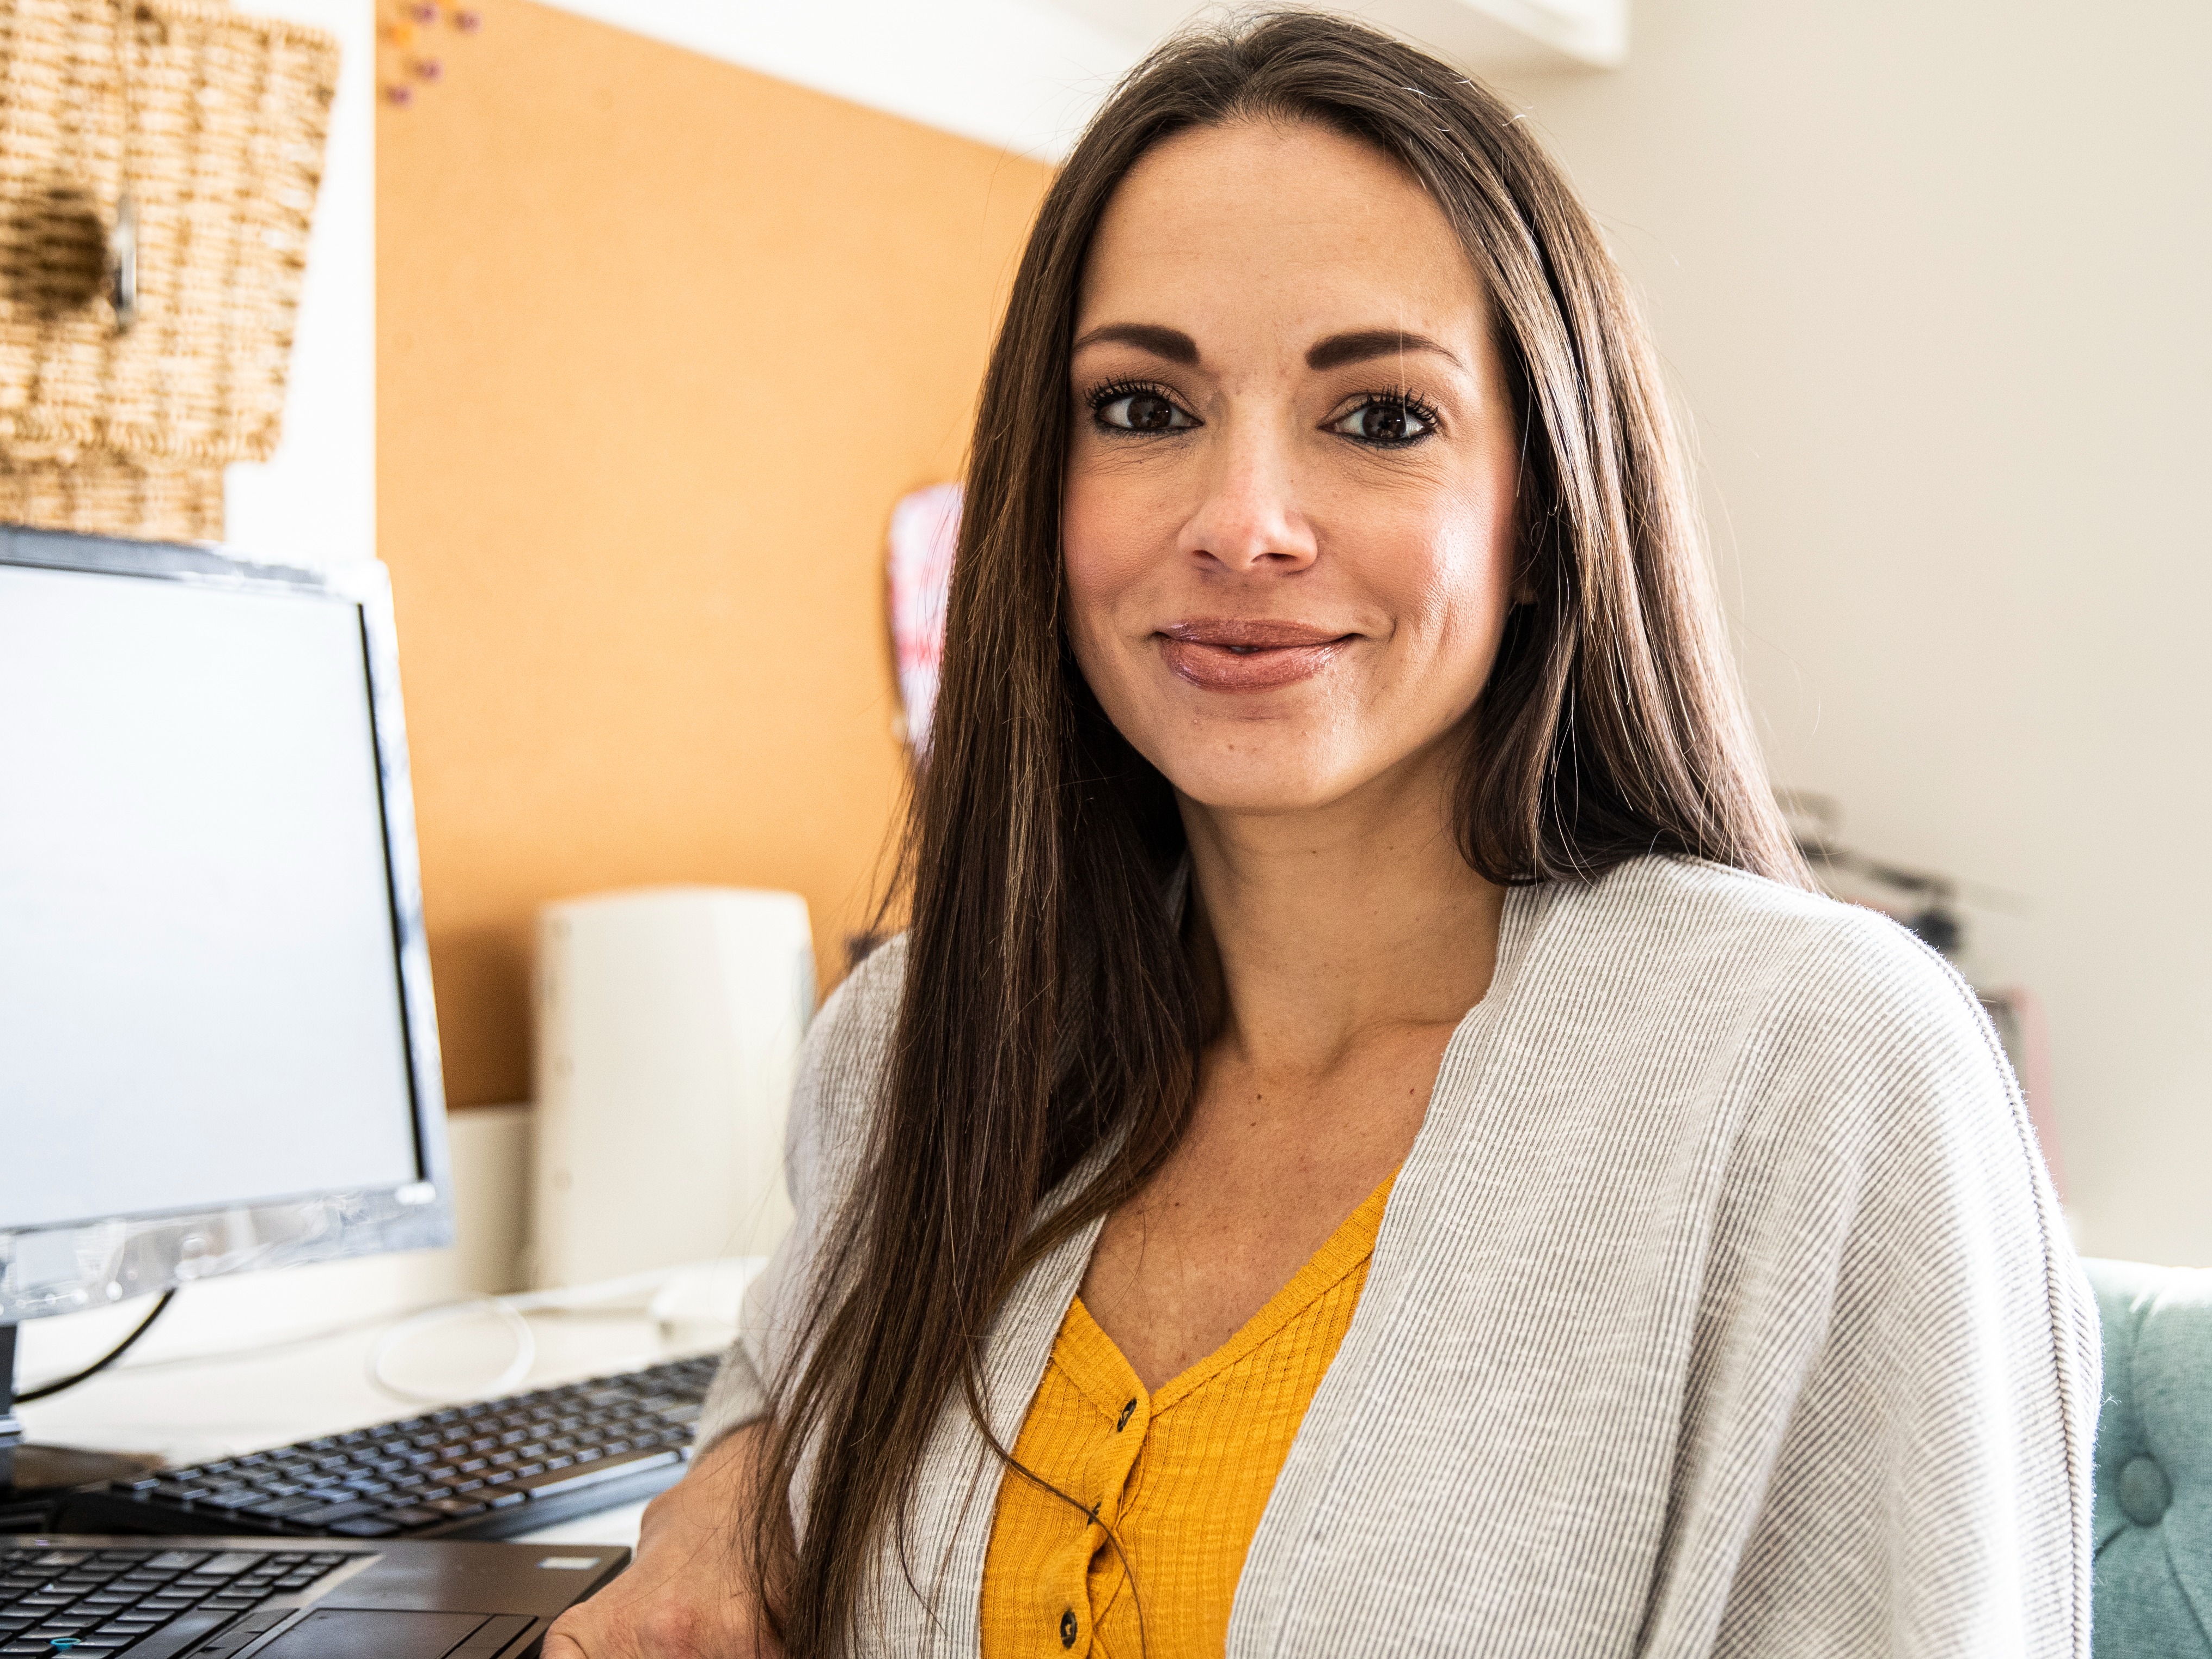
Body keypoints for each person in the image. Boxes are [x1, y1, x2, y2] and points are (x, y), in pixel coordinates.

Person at [541, 12, 2097, 1657]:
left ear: (1544, 511)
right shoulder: (915, 1048)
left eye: (1380, 419)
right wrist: (739, 1472)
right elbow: (778, 1393)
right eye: (1143, 410)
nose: (1243, 524)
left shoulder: (1813, 1067)